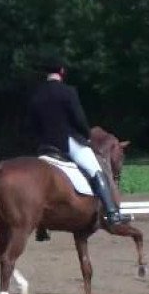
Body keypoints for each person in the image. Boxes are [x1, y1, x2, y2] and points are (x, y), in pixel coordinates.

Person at [27, 57, 131, 227]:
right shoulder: (68, 92)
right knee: (97, 170)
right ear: (62, 72)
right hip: (67, 143)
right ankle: (112, 214)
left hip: (45, 146)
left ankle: (42, 227)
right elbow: (79, 119)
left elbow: (32, 124)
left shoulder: (37, 95)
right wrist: (86, 136)